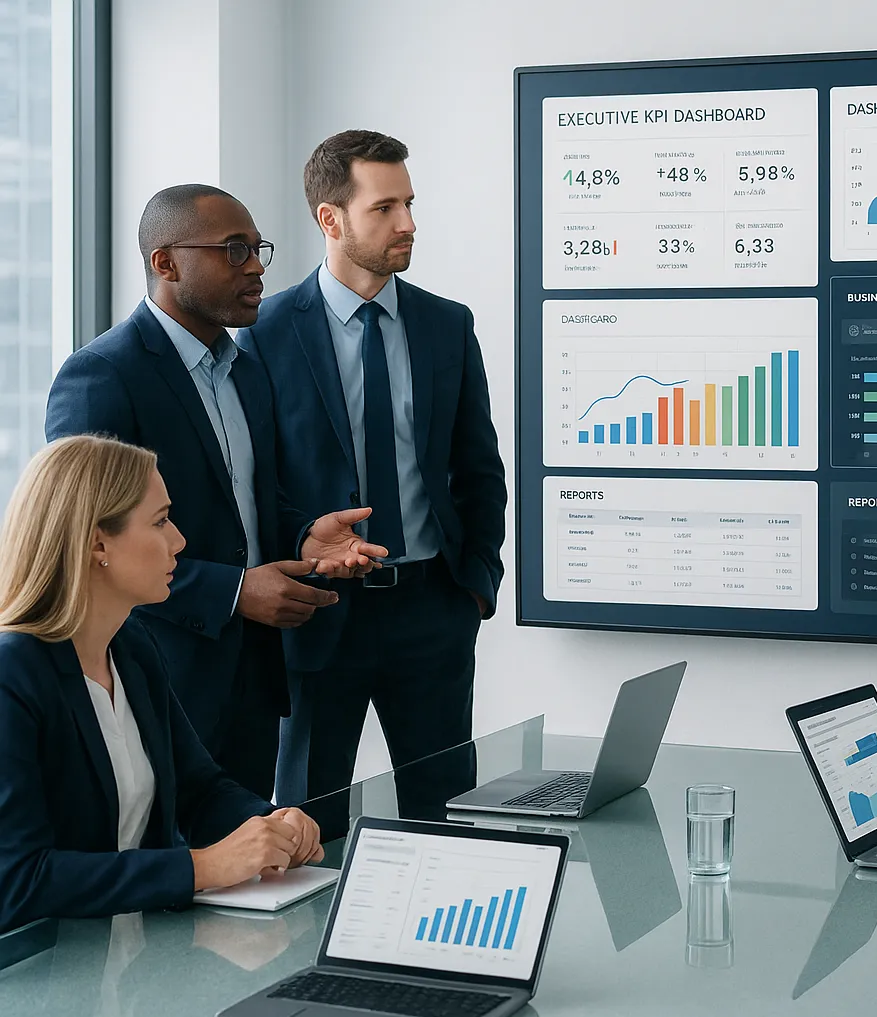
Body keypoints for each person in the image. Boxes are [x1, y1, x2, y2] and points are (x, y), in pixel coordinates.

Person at [45, 184, 387, 799]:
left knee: (250, 877)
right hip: (159, 677)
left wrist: (306, 533)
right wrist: (234, 593)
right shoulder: (102, 375)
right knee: (170, 877)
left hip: (253, 676)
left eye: (258, 250)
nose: (255, 266)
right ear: (166, 263)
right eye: (233, 250)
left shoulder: (246, 368)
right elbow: (86, 541)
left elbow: (250, 505)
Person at [238, 131, 506, 823]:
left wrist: (474, 585)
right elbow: (254, 479)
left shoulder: (447, 325)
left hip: (433, 609)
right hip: (319, 613)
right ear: (331, 219)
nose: (409, 223)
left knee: (443, 816)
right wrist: (302, 543)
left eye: (409, 203)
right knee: (306, 824)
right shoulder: (263, 334)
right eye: (385, 207)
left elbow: (479, 466)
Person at [0, 436, 324, 933]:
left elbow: (200, 789)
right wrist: (204, 867)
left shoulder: (131, 647)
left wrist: (270, 824)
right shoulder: (12, 675)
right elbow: (18, 880)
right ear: (96, 543)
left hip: (133, 959)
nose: (179, 541)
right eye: (160, 521)